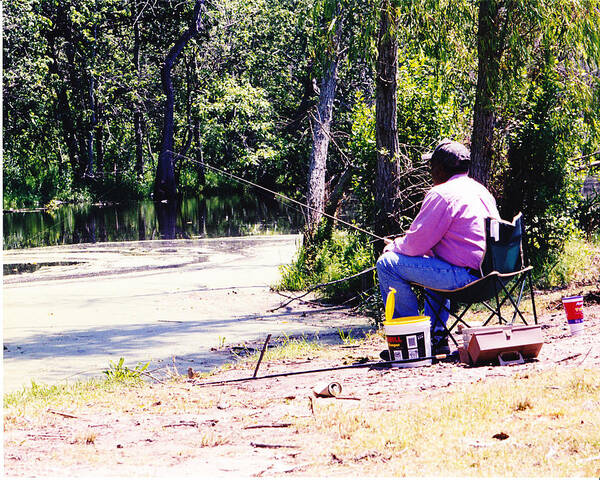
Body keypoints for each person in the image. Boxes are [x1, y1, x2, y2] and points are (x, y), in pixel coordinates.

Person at [376, 139, 500, 354]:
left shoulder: (441, 194)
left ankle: (409, 341)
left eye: (431, 166)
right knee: (434, 263)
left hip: (467, 280)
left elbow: (414, 245)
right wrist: (405, 246)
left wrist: (393, 246)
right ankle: (436, 336)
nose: (430, 171)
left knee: (387, 264)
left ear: (441, 168)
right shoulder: (480, 190)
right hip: (493, 277)